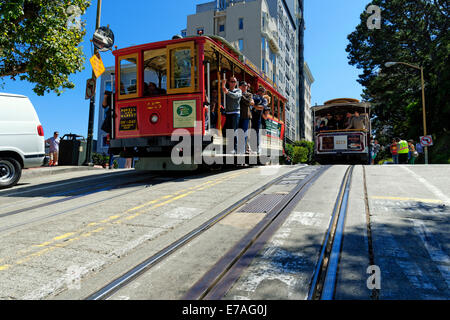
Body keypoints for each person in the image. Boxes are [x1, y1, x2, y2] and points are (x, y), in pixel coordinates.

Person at [222, 76, 242, 153]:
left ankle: (235, 149)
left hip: (235, 113)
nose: (233, 83)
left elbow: (235, 96)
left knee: (234, 131)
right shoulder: (225, 91)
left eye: (234, 82)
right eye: (232, 81)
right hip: (227, 113)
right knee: (228, 131)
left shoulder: (238, 90)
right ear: (229, 82)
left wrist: (227, 91)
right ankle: (228, 148)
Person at [251, 87, 268, 154]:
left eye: (262, 91)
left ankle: (256, 148)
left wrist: (254, 106)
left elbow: (261, 107)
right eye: (259, 90)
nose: (260, 92)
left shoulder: (264, 100)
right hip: (250, 116)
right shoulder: (254, 96)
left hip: (258, 118)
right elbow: (251, 101)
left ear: (264, 93)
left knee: (256, 133)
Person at [238, 81, 254, 154]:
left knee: (246, 133)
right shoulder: (237, 93)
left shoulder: (249, 94)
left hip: (246, 116)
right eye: (243, 86)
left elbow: (248, 102)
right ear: (240, 87)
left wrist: (241, 95)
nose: (245, 87)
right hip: (238, 115)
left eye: (246, 86)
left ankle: (245, 149)